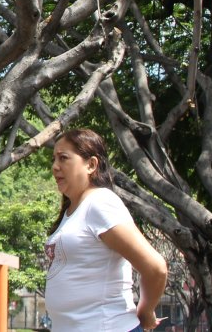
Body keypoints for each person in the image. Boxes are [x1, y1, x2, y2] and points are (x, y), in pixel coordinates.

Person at [43, 128, 168, 332]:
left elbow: (155, 267)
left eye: (63, 158)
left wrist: (145, 311)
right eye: (54, 159)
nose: (55, 167)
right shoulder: (72, 211)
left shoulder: (100, 203)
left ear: (91, 165)